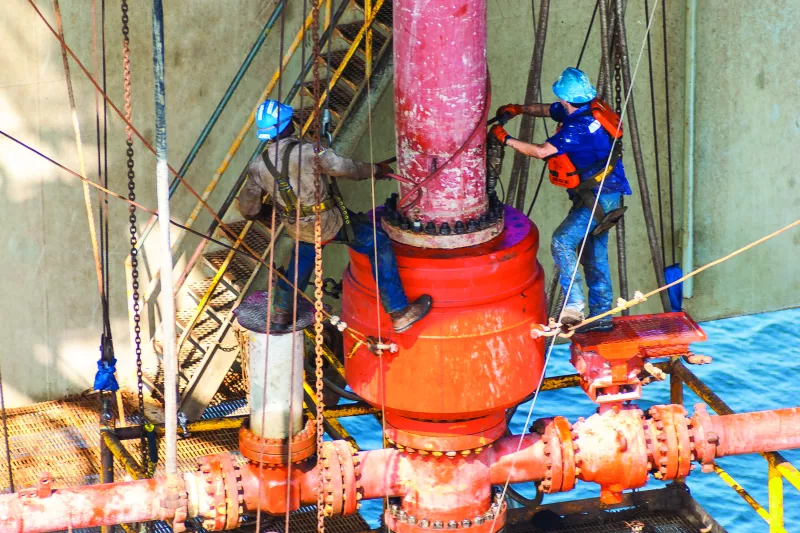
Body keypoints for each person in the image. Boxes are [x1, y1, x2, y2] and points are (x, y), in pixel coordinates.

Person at [237, 99, 432, 334]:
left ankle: (281, 313)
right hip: (328, 221)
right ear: (287, 126)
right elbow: (345, 168)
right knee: (377, 243)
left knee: (302, 257)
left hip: (298, 225)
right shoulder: (309, 152)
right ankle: (399, 312)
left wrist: (265, 211)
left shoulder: (258, 165)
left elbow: (249, 209)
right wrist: (377, 170)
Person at [490, 67, 632, 332]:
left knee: (562, 241)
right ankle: (601, 319)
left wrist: (506, 139)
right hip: (603, 194)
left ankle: (574, 306)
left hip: (600, 198)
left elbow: (542, 152)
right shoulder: (590, 108)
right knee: (594, 256)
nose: (559, 104)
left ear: (567, 99)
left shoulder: (579, 128)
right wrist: (519, 108)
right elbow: (548, 110)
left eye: (561, 100)